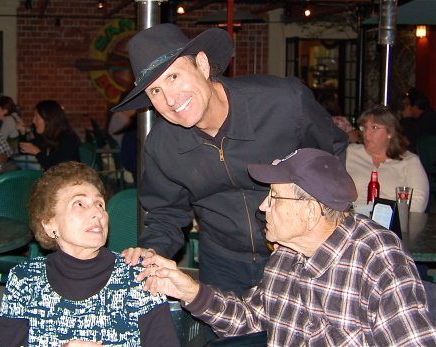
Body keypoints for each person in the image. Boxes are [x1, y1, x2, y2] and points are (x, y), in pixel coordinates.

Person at [112, 23, 348, 297]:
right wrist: (152, 251)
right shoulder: (162, 145)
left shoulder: (284, 104)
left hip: (299, 254)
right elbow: (166, 214)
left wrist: (320, 220)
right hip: (222, 262)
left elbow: (331, 156)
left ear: (202, 64)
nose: (171, 99)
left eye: (174, 77)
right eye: (155, 91)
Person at [138, 148, 436, 346]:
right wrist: (189, 290)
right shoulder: (285, 254)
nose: (263, 206)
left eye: (274, 197)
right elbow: (250, 320)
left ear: (310, 211)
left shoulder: (376, 258)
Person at [0, 161, 180, 347]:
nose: (97, 213)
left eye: (100, 204)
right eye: (79, 203)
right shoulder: (24, 280)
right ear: (49, 223)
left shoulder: (138, 277)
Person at [346, 105, 429, 212]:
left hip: (391, 223)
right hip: (353, 220)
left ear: (390, 132)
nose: (366, 133)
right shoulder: (349, 153)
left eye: (374, 128)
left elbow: (418, 201)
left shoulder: (409, 161)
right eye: (365, 127)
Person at [17, 100, 81, 171]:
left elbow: (57, 170)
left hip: (68, 180)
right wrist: (22, 133)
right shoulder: (46, 136)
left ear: (48, 120)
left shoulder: (67, 139)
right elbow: (23, 149)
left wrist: (38, 152)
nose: (33, 121)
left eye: (37, 117)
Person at [401, 87, 436, 153]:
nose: (404, 107)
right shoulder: (414, 119)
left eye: (406, 104)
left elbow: (409, 141)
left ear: (415, 107)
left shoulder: (429, 118)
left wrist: (407, 119)